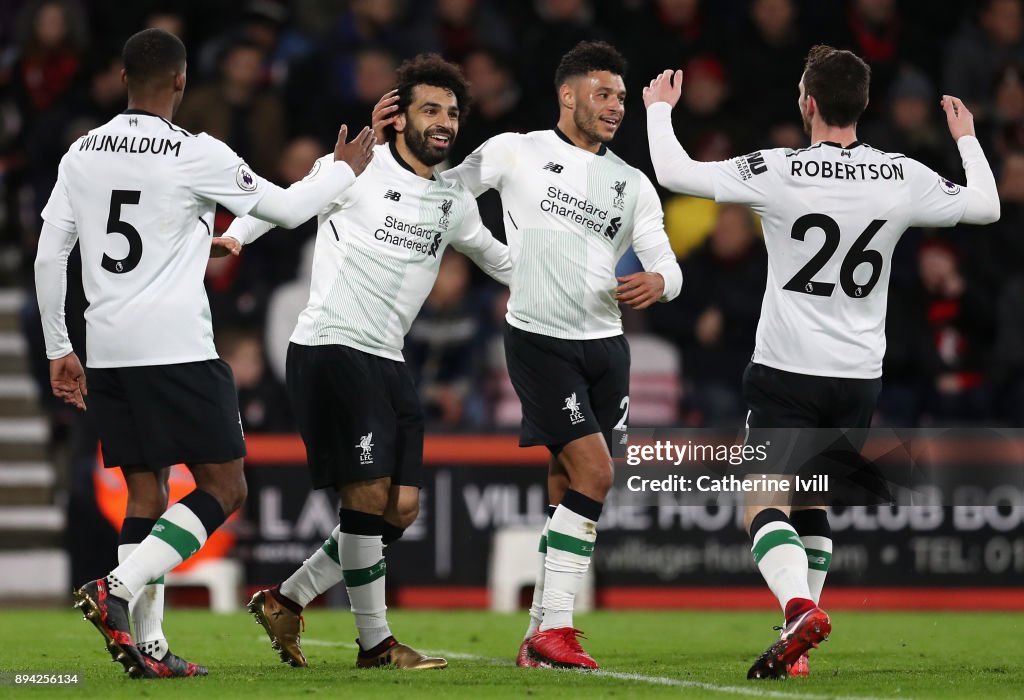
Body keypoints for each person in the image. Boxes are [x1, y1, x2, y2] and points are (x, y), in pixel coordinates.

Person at [643, 46, 999, 679]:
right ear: (863, 105)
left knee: (758, 502)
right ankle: (796, 643)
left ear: (807, 102)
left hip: (786, 369)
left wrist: (659, 110)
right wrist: (967, 138)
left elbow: (675, 172)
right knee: (811, 503)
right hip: (859, 377)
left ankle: (800, 607)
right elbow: (986, 206)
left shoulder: (778, 168)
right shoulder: (900, 174)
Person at [35, 28, 374, 679]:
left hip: (106, 349)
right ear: (182, 82)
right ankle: (116, 588)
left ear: (123, 77)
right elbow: (289, 207)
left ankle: (150, 649)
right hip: (176, 347)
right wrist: (339, 171)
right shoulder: (195, 151)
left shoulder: (81, 153)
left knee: (146, 492)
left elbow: (53, 253)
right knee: (225, 485)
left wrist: (59, 347)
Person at [375, 40, 682, 670]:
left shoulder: (632, 183)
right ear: (567, 95)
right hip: (539, 338)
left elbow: (667, 263)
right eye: (603, 94)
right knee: (597, 475)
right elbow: (442, 187)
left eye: (621, 97)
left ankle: (536, 636)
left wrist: (660, 282)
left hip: (606, 347)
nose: (616, 106)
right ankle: (558, 629)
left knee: (569, 482)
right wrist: (382, 157)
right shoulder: (515, 149)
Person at [226, 54, 512, 670]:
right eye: (430, 109)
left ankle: (287, 597)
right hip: (331, 347)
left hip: (389, 360)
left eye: (453, 113)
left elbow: (501, 260)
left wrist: (576, 279)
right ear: (398, 116)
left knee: (400, 508)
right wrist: (232, 237)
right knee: (368, 492)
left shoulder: (453, 202)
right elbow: (285, 202)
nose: (443, 122)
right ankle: (376, 645)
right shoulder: (355, 168)